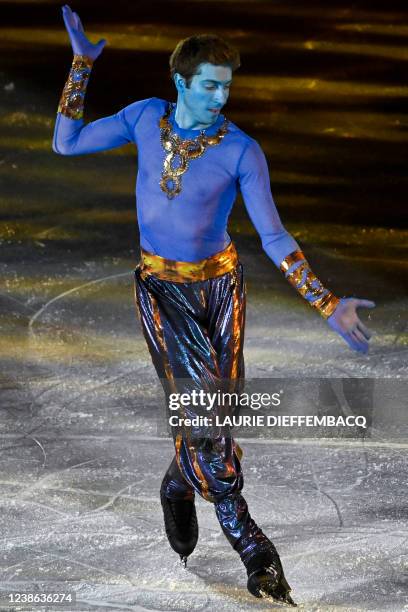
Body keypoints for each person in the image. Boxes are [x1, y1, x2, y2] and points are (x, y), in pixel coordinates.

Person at [52, 5, 375, 606]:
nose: (220, 98)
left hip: (222, 289)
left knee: (215, 418)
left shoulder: (242, 151)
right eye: (209, 86)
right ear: (180, 82)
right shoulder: (145, 117)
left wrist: (326, 303)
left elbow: (274, 236)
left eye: (227, 87)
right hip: (162, 291)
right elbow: (65, 143)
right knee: (206, 419)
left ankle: (178, 485)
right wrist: (81, 66)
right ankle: (256, 551)